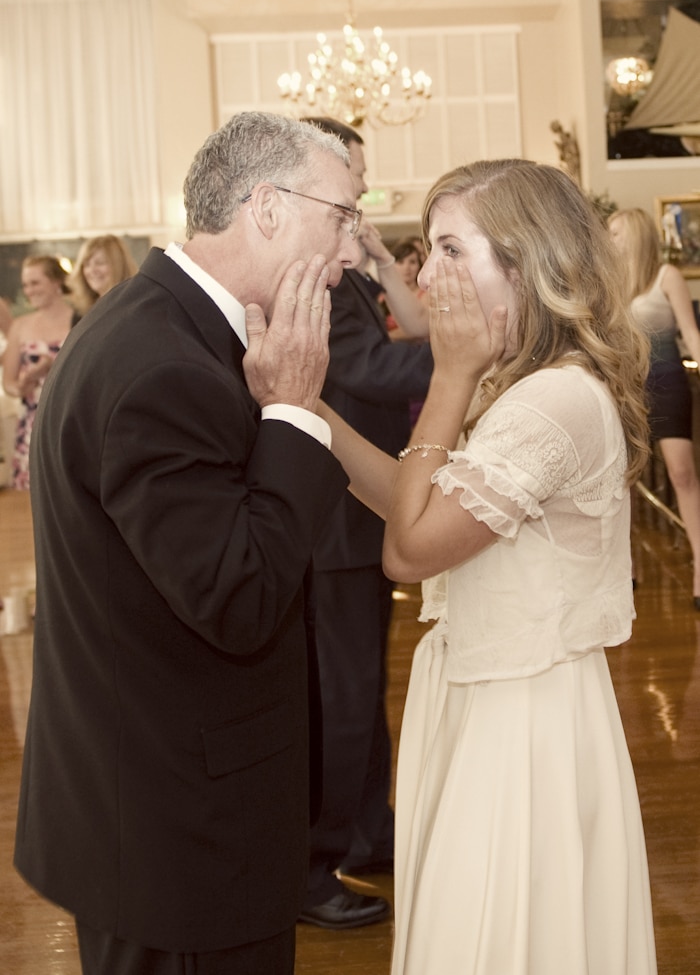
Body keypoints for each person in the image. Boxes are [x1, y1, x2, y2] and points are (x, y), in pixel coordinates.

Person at [13, 111, 361, 975]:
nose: (351, 254)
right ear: (267, 208)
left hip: (157, 809)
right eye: (343, 218)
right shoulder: (164, 364)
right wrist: (290, 412)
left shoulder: (156, 323)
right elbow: (240, 596)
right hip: (182, 837)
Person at [320, 159, 657, 973]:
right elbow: (416, 501)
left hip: (524, 714)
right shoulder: (523, 384)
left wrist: (450, 373)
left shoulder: (553, 402)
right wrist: (305, 405)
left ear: (526, 262)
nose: (424, 277)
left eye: (449, 249)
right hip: (484, 688)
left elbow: (407, 548)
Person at [297, 116, 433, 930]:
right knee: (343, 698)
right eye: (353, 174)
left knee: (363, 686)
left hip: (362, 506)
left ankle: (369, 830)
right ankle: (314, 868)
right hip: (339, 515)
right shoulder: (317, 273)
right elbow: (367, 367)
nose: (363, 188)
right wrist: (471, 351)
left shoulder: (345, 263)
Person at [609, 206, 700, 606]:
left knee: (682, 473)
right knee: (623, 480)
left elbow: (690, 333)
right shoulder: (612, 282)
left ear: (634, 233)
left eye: (615, 232)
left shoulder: (667, 276)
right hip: (626, 388)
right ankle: (625, 568)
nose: (609, 240)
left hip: (667, 383)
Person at [2, 256, 75, 489]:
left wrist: (53, 367)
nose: (29, 290)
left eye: (35, 283)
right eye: (25, 285)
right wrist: (22, 384)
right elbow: (8, 382)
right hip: (32, 424)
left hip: (70, 418)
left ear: (56, 282)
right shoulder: (20, 326)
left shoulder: (80, 319)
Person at [69, 234, 139, 316]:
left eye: (100, 263)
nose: (92, 270)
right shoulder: (84, 312)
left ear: (119, 266)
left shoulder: (134, 308)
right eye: (87, 264)